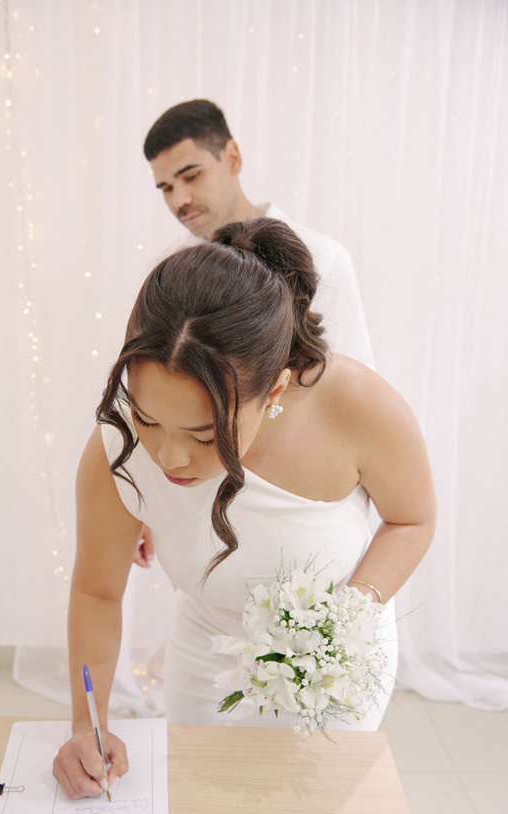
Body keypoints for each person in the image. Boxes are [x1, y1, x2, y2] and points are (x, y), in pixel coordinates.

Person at [53, 218, 436, 800]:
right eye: (148, 419)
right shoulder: (117, 447)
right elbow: (97, 593)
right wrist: (88, 723)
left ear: (275, 391)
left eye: (205, 434)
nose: (168, 456)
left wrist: (343, 625)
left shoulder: (358, 407)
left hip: (329, 669)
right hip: (208, 654)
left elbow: (413, 519)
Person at [134, 98, 374, 568]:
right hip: (197, 503)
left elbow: (362, 395)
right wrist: (142, 502)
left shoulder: (321, 259)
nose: (179, 199)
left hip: (302, 503)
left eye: (190, 175)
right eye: (165, 187)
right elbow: (155, 395)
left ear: (233, 158)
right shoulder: (166, 272)